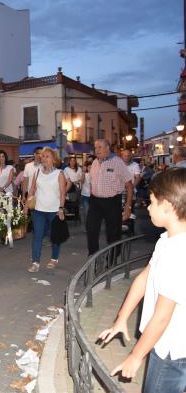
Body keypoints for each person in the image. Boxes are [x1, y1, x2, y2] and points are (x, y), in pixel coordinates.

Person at [98, 168, 186, 393]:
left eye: (153, 202)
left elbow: (162, 317)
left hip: (170, 351)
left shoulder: (178, 254)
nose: (148, 207)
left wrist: (136, 356)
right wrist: (121, 318)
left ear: (168, 206)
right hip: (163, 343)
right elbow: (143, 278)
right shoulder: (167, 240)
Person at [87, 139, 134, 256]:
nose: (96, 150)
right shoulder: (94, 163)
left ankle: (112, 259)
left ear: (107, 148)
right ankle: (93, 255)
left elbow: (129, 185)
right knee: (91, 228)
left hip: (112, 201)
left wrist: (128, 207)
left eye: (99, 147)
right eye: (95, 147)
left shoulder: (117, 162)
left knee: (113, 233)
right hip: (95, 201)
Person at [25, 147, 67, 273]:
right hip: (38, 210)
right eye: (42, 156)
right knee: (37, 236)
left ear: (53, 159)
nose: (44, 158)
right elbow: (32, 190)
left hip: (54, 211)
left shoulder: (59, 173)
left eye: (47, 156)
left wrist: (61, 208)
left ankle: (54, 258)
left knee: (54, 236)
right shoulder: (37, 172)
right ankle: (35, 262)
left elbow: (62, 192)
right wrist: (26, 206)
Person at [80, 162, 92, 231]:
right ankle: (86, 226)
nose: (90, 168)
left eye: (91, 167)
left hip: (93, 196)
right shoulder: (85, 174)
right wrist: (83, 172)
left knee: (92, 213)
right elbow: (82, 181)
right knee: (86, 212)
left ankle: (91, 225)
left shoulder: (95, 175)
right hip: (85, 196)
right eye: (89, 167)